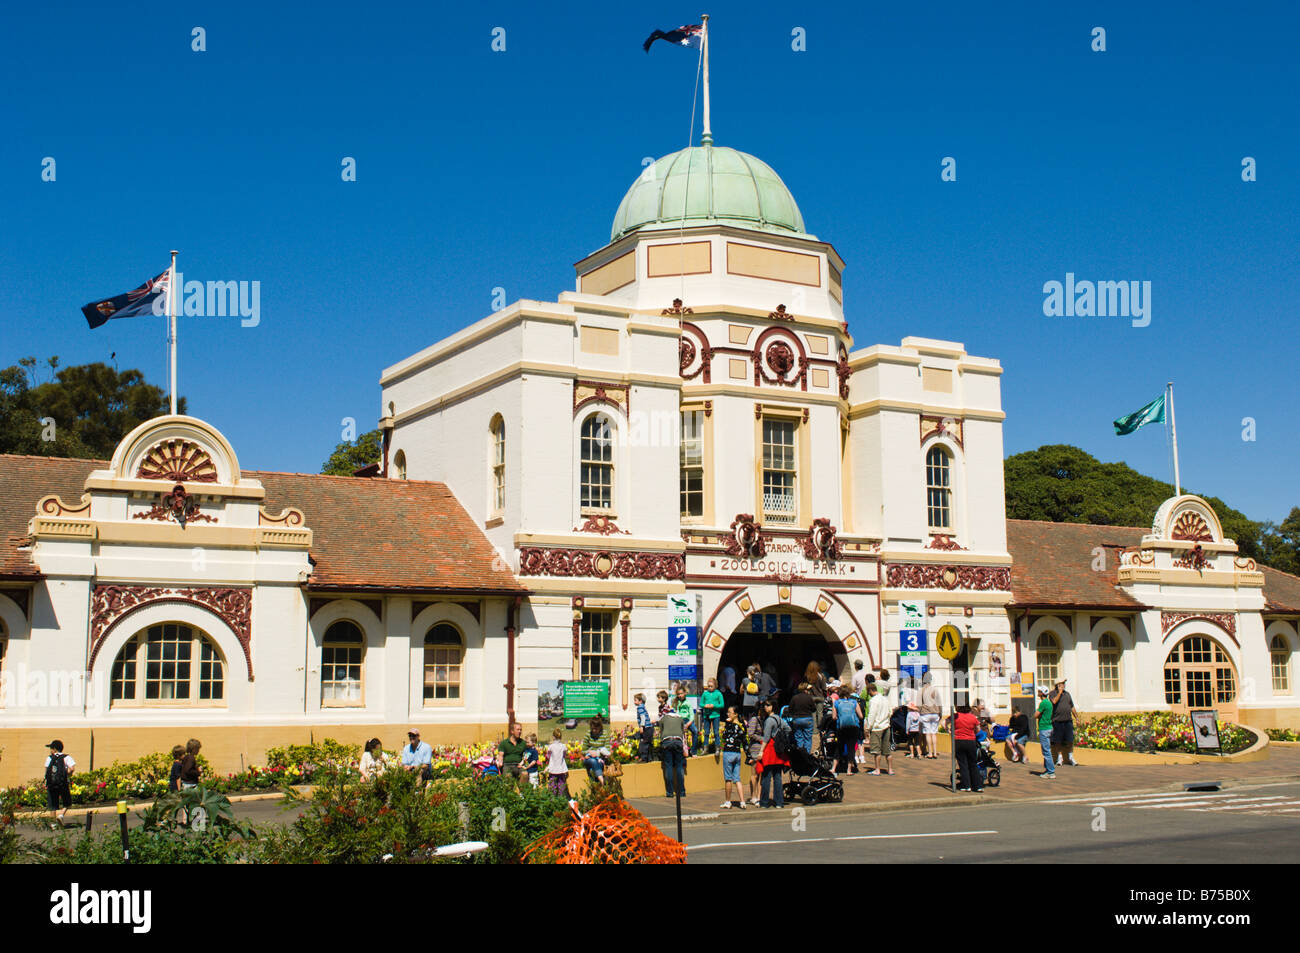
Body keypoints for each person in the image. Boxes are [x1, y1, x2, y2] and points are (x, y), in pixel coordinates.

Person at [757, 699, 789, 808]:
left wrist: (761, 751)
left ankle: (764, 802)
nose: (765, 707)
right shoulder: (780, 719)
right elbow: (788, 729)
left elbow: (766, 737)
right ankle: (779, 802)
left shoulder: (769, 720)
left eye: (768, 705)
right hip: (779, 751)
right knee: (778, 777)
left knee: (766, 777)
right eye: (765, 705)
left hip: (770, 751)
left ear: (772, 707)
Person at [948, 705, 983, 792]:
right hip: (970, 741)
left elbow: (943, 723)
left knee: (963, 764)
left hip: (959, 740)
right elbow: (978, 729)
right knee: (973, 764)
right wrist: (973, 732)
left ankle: (966, 785)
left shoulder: (955, 716)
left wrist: (949, 731)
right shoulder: (972, 717)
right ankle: (977, 786)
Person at [720, 706, 748, 809]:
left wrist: (727, 724)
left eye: (730, 712)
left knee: (728, 779)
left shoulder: (730, 725)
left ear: (735, 714)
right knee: (737, 778)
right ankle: (742, 801)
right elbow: (745, 741)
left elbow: (725, 736)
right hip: (737, 753)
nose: (728, 714)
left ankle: (728, 801)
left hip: (728, 752)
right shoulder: (741, 726)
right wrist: (748, 755)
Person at [659, 703, 688, 798]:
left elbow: (661, 731)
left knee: (668, 766)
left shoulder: (663, 718)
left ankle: (670, 792)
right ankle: (682, 791)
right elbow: (683, 731)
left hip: (667, 742)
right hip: (678, 742)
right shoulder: (680, 718)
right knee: (679, 766)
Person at [865, 683, 894, 775]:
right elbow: (890, 711)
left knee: (876, 750)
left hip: (877, 727)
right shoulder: (885, 699)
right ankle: (890, 769)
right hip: (886, 726)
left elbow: (871, 715)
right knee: (887, 750)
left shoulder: (873, 701)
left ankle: (877, 769)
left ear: (870, 690)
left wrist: (868, 727)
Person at [44, 740, 75, 825]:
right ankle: (61, 815)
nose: (50, 750)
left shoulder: (49, 758)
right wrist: (66, 774)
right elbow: (72, 768)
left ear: (54, 749)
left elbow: (47, 771)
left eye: (51, 748)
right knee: (67, 802)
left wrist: (47, 781)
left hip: (51, 784)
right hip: (63, 783)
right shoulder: (67, 757)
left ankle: (53, 824)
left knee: (53, 805)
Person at [833, 687, 863, 773]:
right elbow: (860, 716)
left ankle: (834, 768)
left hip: (842, 727)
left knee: (839, 747)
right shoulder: (854, 702)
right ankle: (849, 769)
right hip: (853, 727)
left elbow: (834, 717)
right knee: (851, 748)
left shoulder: (837, 702)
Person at [1051, 681, 1079, 766]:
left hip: (1068, 720)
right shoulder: (1052, 693)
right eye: (1061, 684)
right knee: (1058, 740)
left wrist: (1076, 717)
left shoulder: (1067, 694)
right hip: (1057, 721)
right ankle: (1059, 758)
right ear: (1057, 685)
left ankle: (1070, 757)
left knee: (1070, 739)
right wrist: (1059, 693)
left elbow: (1072, 706)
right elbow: (1054, 702)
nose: (1063, 685)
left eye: (1064, 684)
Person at [787, 683, 817, 753]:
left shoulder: (794, 698)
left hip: (797, 719)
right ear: (805, 690)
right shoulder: (809, 697)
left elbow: (790, 709)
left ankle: (800, 754)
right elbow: (814, 709)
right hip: (807, 719)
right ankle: (807, 754)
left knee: (799, 738)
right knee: (808, 738)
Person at [804, 661, 827, 752]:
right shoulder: (821, 675)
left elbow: (805, 686)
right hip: (820, 696)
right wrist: (824, 695)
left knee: (813, 714)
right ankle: (820, 727)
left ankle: (814, 730)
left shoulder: (808, 676)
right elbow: (824, 687)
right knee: (820, 713)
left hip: (811, 697)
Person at [919, 673, 943, 759]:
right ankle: (935, 752)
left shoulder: (921, 690)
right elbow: (939, 702)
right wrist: (940, 713)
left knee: (928, 734)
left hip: (925, 713)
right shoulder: (935, 689)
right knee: (934, 733)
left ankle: (929, 753)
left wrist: (920, 712)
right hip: (935, 713)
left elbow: (919, 704)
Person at [582, 714, 611, 783]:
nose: (594, 730)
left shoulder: (605, 734)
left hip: (600, 759)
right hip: (589, 758)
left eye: (596, 729)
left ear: (600, 727)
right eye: (592, 729)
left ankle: (597, 783)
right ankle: (602, 781)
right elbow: (583, 751)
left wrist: (597, 754)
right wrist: (590, 752)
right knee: (593, 761)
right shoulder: (588, 734)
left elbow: (607, 751)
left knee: (594, 766)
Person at [1035, 687, 1056, 779]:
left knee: (1046, 751)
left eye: (1039, 691)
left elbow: (1036, 714)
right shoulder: (1049, 703)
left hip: (1044, 728)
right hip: (1049, 727)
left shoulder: (1043, 703)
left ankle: (1051, 772)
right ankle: (1047, 769)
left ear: (1042, 693)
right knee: (1046, 750)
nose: (1038, 692)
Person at [700, 678, 725, 753]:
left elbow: (722, 705)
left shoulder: (718, 693)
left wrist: (714, 706)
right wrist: (705, 706)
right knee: (706, 732)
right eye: (708, 686)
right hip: (706, 715)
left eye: (711, 686)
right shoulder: (705, 693)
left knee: (716, 732)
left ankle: (717, 748)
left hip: (715, 715)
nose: (710, 688)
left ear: (715, 686)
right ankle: (705, 748)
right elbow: (701, 703)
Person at [745, 709, 764, 805]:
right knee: (754, 774)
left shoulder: (766, 720)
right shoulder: (754, 719)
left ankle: (759, 796)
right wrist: (762, 739)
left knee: (761, 774)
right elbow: (750, 734)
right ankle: (754, 796)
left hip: (763, 749)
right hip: (755, 749)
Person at [545, 727, 570, 796]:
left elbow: (548, 756)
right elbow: (564, 755)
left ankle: (552, 798)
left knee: (552, 784)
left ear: (553, 737)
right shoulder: (563, 746)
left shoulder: (551, 747)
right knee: (561, 784)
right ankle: (561, 798)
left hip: (553, 768)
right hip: (561, 768)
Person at [635, 692, 654, 762]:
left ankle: (643, 758)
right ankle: (650, 757)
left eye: (635, 700)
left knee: (644, 743)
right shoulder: (643, 707)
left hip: (646, 728)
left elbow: (642, 717)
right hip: (649, 728)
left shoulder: (640, 707)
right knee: (649, 743)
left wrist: (641, 726)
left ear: (640, 701)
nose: (634, 702)